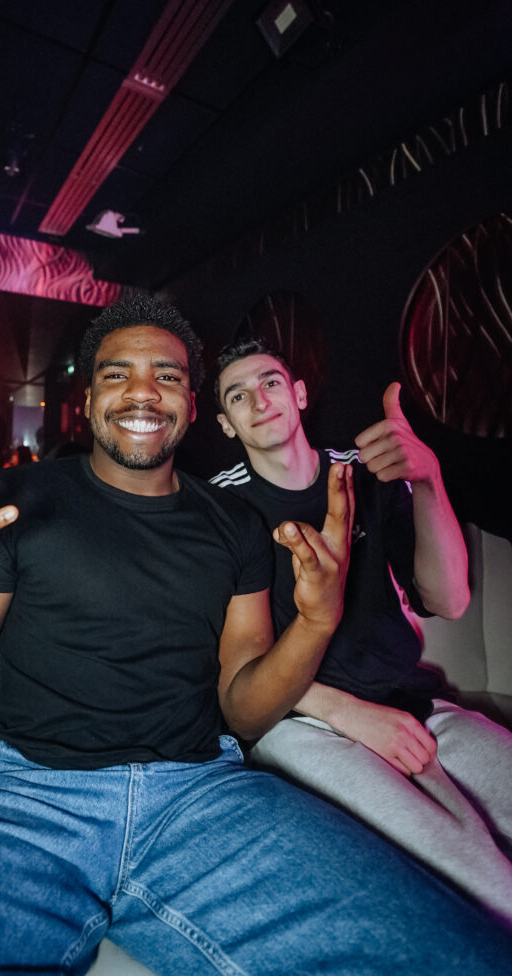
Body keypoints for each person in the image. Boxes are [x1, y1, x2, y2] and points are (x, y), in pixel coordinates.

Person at [0, 297, 512, 976]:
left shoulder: (235, 524)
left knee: (456, 957)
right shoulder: (20, 498)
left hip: (204, 796)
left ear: (190, 404)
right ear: (88, 398)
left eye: (167, 375)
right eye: (116, 373)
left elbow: (245, 709)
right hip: (25, 798)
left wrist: (316, 621)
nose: (143, 391)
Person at [211, 337, 512, 928]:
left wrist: (429, 480)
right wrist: (347, 712)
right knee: (483, 889)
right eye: (238, 396)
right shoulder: (218, 508)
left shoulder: (364, 474)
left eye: (270, 382)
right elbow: (221, 667)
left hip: (413, 705)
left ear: (299, 394)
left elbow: (449, 599)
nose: (260, 401)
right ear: (225, 423)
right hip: (300, 722)